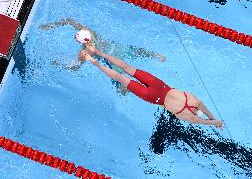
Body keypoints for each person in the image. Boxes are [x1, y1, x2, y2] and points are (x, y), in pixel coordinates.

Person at [81, 46, 224, 128]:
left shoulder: (194, 100)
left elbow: (204, 109)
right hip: (152, 97)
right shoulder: (185, 116)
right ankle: (94, 61)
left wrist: (215, 119)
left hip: (160, 85)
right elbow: (201, 121)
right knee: (120, 79)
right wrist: (214, 123)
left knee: (126, 67)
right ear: (194, 113)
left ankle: (97, 51)